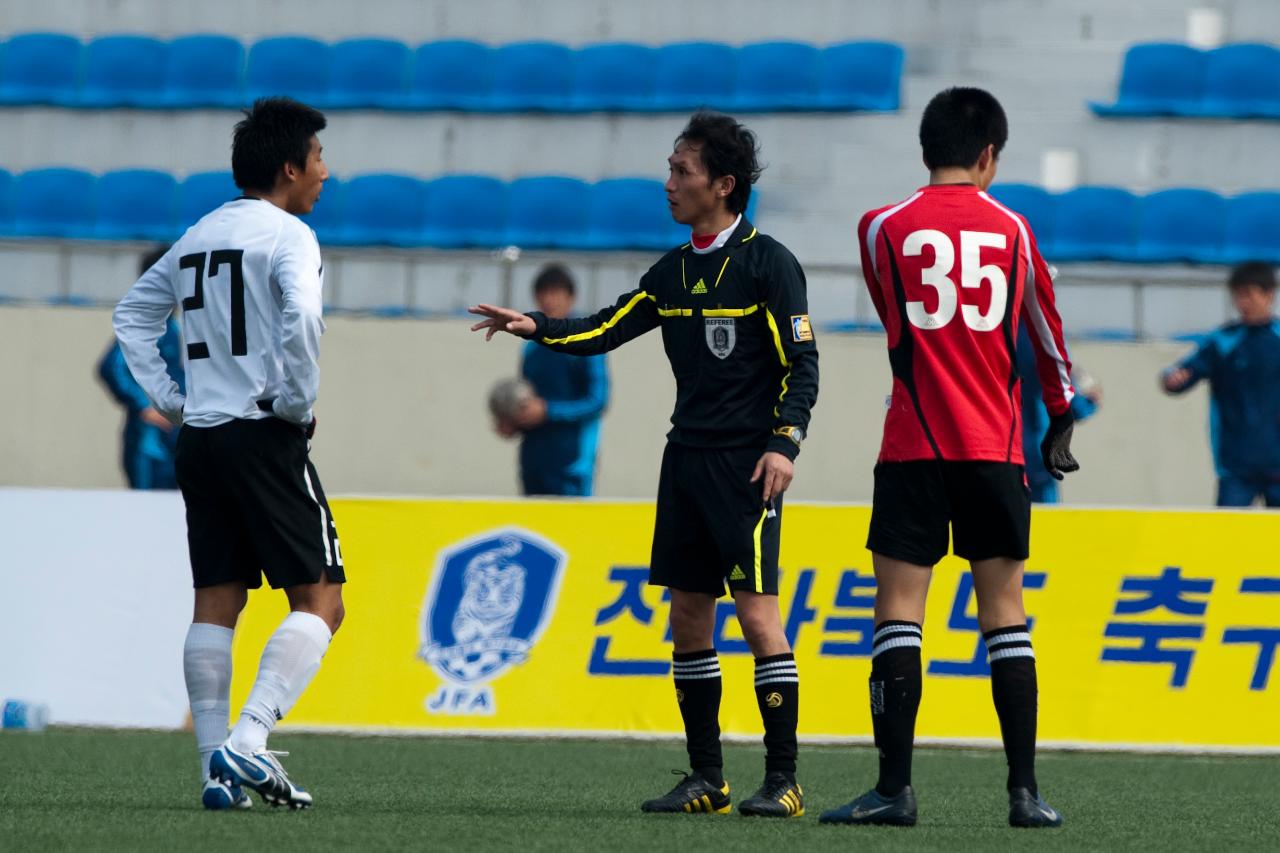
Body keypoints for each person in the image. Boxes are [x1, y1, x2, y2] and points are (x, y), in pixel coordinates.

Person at [470, 111, 819, 818]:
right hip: (684, 461)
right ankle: (708, 777)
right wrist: (535, 325)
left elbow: (802, 363)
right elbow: (606, 327)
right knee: (689, 615)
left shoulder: (768, 264)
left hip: (747, 468)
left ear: (723, 185)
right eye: (670, 169)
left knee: (757, 617)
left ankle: (783, 778)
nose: (669, 184)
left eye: (681, 171)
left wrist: (785, 440)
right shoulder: (671, 271)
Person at [819, 87, 1076, 830]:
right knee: (1006, 613)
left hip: (912, 444)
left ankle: (893, 788)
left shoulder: (881, 228)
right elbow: (1047, 338)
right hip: (994, 446)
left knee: (899, 611)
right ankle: (1024, 793)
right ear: (988, 154)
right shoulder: (1016, 233)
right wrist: (1060, 417)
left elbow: (894, 316)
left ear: (925, 148)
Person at [113, 97, 341, 812]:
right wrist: (297, 404)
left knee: (216, 599)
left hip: (202, 440)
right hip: (261, 433)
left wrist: (174, 399)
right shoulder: (289, 235)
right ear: (288, 168)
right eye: (318, 159)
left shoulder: (198, 233)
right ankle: (249, 737)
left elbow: (132, 315)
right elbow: (302, 316)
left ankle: (215, 766)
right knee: (322, 599)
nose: (324, 174)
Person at [1161, 262, 1280, 506]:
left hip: (1278, 463)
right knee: (1226, 539)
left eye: (1249, 294)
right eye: (1238, 295)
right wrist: (1172, 379)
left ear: (1269, 294)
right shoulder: (1223, 341)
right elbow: (1182, 374)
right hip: (1235, 465)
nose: (1243, 302)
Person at [493, 264, 610, 496]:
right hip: (533, 460)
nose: (549, 300)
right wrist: (513, 420)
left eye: (556, 293)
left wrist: (548, 411)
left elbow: (597, 400)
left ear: (571, 298)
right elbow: (526, 397)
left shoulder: (589, 342)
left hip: (572, 462)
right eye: (543, 293)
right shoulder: (531, 347)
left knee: (571, 529)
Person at [97, 246, 185, 489]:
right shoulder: (150, 323)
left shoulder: (173, 324)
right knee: (147, 513)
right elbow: (111, 366)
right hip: (151, 443)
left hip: (175, 439)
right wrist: (144, 406)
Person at [1017, 325, 1100, 503]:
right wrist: (1090, 402)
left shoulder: (994, 328)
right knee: (1043, 522)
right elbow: (1067, 399)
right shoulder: (1044, 332)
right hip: (1037, 451)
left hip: (997, 450)